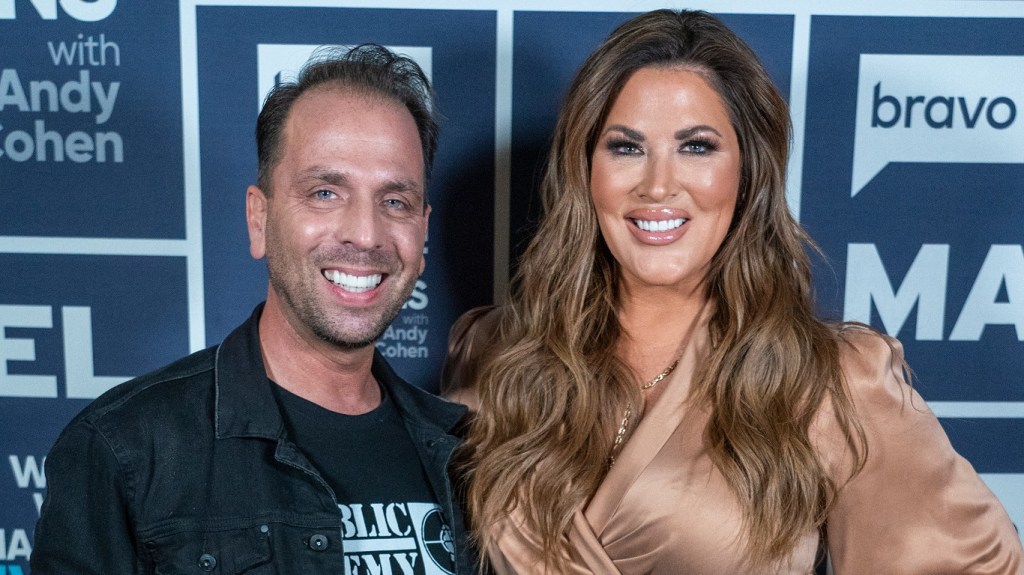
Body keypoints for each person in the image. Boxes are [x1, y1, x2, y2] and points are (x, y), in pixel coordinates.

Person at [444, 10, 1022, 574]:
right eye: (626, 146)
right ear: (583, 168)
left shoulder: (831, 380)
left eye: (696, 146)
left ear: (748, 174)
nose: (658, 184)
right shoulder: (493, 353)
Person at [32, 44, 475, 575]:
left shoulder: (468, 454)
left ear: (422, 232)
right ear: (259, 219)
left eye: (395, 201)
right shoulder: (125, 448)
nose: (365, 232)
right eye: (325, 192)